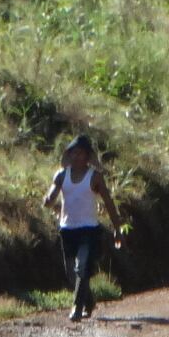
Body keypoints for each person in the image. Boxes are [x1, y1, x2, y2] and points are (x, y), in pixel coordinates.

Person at [41, 135, 127, 322]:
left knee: (82, 268)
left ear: (88, 156)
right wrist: (48, 200)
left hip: (89, 230)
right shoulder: (61, 175)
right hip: (67, 229)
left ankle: (77, 308)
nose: (77, 156)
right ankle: (89, 302)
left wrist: (117, 229)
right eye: (74, 152)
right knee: (72, 274)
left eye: (81, 153)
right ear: (69, 154)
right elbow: (52, 194)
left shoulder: (94, 177)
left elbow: (109, 202)